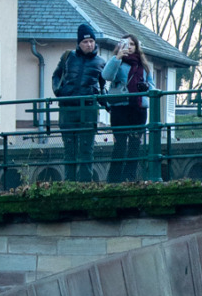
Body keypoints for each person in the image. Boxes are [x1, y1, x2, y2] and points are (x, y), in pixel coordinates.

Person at [51, 22, 106, 182]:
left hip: (88, 110)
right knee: (69, 150)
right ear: (79, 43)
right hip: (68, 109)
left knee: (86, 150)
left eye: (91, 41)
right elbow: (56, 75)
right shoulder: (68, 57)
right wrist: (59, 91)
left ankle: (85, 185)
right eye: (85, 42)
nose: (89, 44)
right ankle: (69, 184)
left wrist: (102, 98)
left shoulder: (101, 62)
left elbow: (103, 86)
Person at [102, 34, 151, 183]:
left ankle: (130, 178)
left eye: (132, 44)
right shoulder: (117, 61)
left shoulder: (143, 65)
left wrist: (147, 87)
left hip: (138, 108)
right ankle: (115, 179)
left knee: (135, 145)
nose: (129, 47)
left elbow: (152, 84)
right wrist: (117, 57)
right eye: (125, 43)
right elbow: (107, 75)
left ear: (136, 47)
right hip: (120, 108)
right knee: (120, 145)